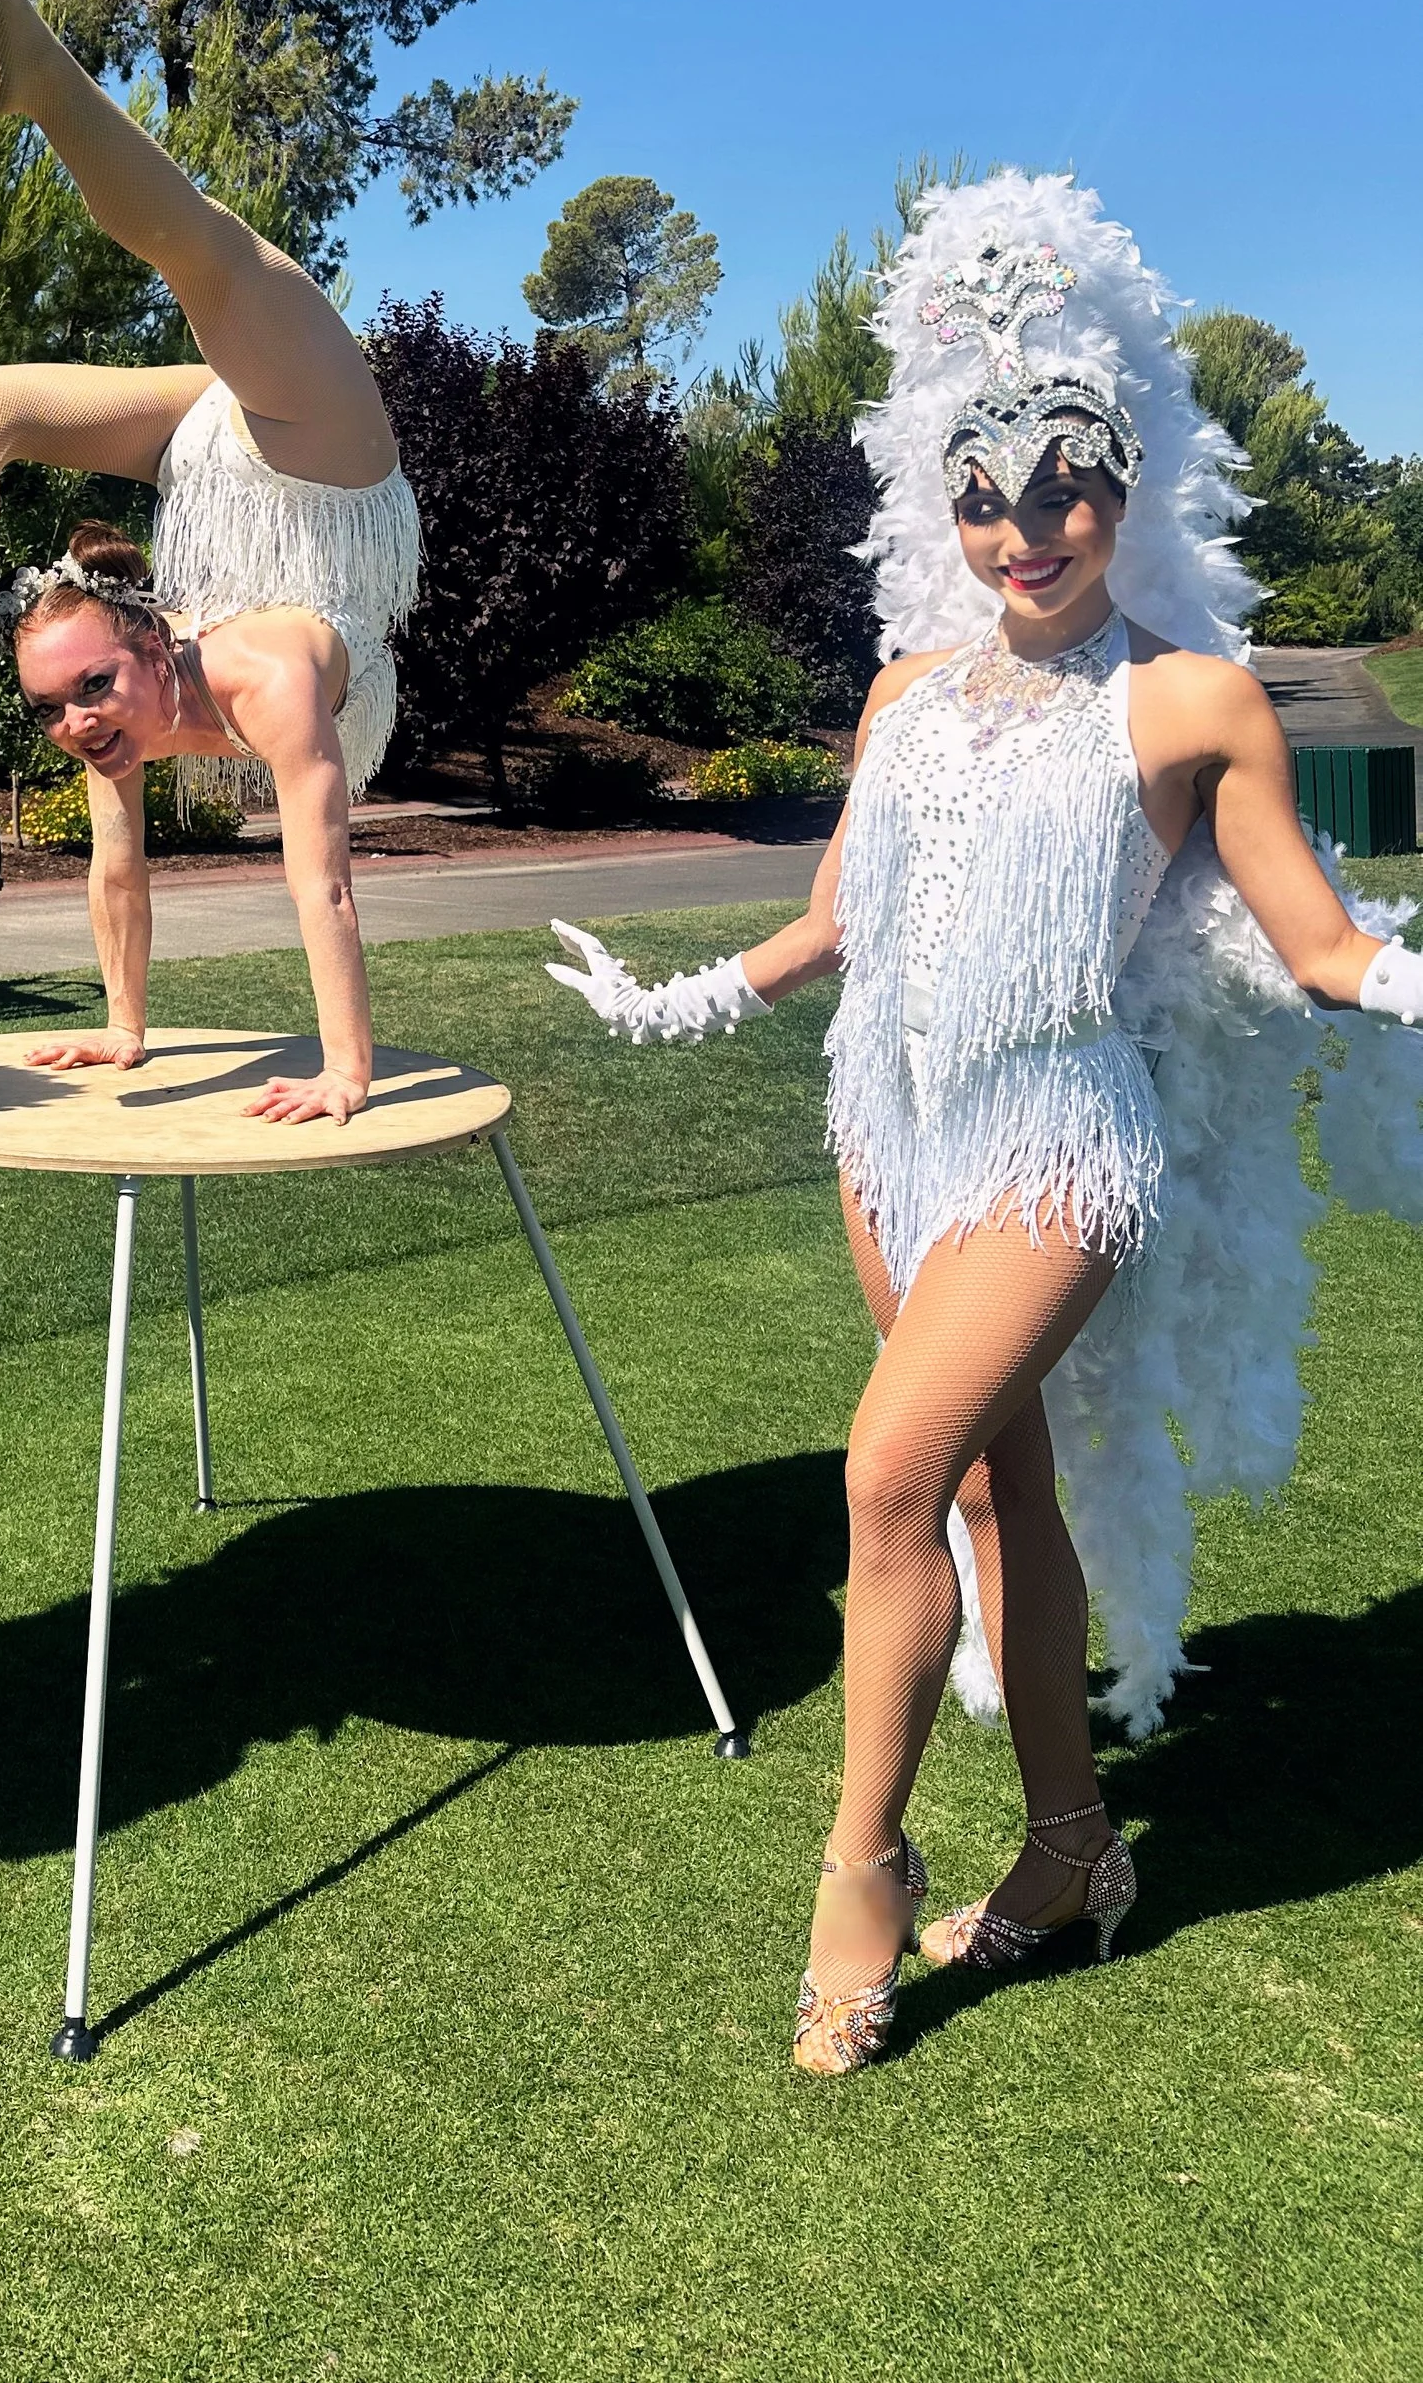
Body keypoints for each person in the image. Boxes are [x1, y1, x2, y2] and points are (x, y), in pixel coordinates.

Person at [545, 175, 1423, 2074]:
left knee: (882, 1472)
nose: (1022, 531)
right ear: (944, 505)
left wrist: (1413, 981)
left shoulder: (1195, 704)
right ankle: (1074, 1845)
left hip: (1055, 1143)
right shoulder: (902, 694)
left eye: (1061, 490)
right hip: (891, 1123)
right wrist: (672, 997)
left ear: (1124, 488)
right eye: (984, 496)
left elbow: (1321, 945)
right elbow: (836, 924)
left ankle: (859, 1869)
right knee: (982, 1488)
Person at [0, 0, 420, 1127]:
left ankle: (45, 84)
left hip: (324, 467)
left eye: (85, 690)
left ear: (149, 644)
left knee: (208, 258)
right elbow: (118, 871)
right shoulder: (123, 718)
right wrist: (124, 1029)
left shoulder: (263, 679)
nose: (74, 723)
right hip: (257, 447)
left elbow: (327, 889)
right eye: (51, 708)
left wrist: (346, 1068)